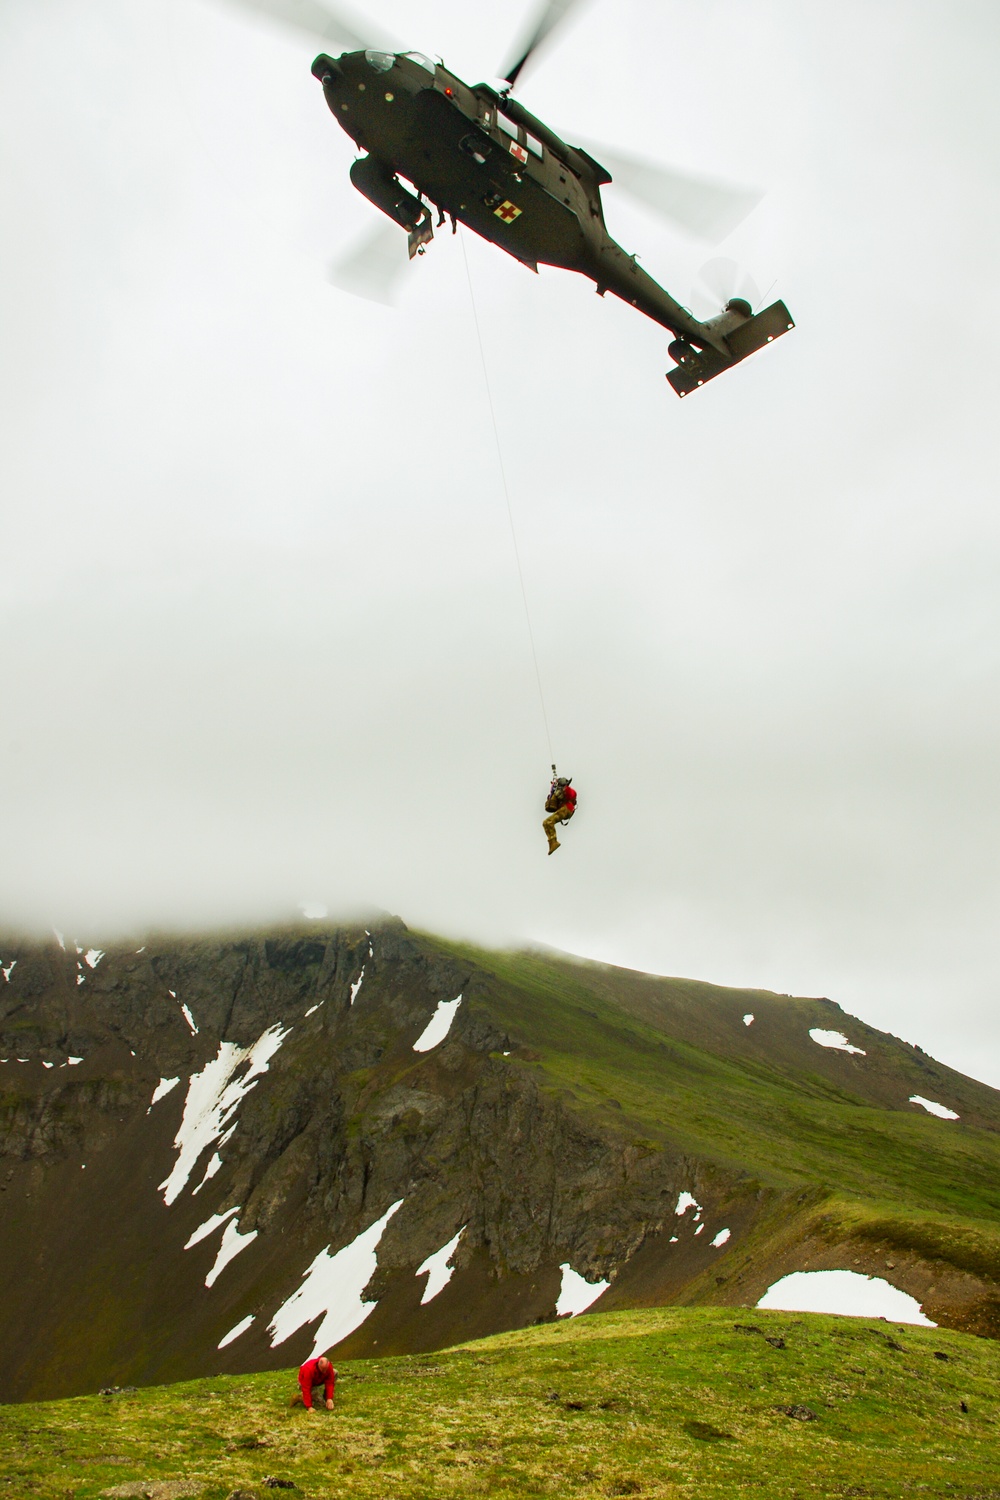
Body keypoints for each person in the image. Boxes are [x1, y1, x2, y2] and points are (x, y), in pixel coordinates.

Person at [543, 774, 577, 855]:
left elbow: (570, 794)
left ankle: (554, 842)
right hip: (563, 810)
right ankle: (552, 842)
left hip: (567, 809)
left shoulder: (570, 791)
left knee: (548, 822)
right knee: (545, 823)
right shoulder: (558, 792)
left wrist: (563, 789)